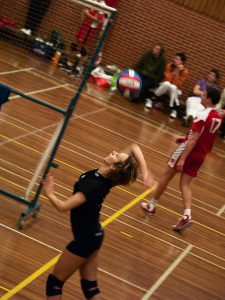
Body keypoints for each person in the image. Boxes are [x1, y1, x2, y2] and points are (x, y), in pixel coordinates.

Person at [43, 143, 153, 299]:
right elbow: (134, 147)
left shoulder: (93, 186)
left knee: (54, 283)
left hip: (85, 239)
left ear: (114, 167)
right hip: (94, 234)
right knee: (90, 288)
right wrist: (145, 173)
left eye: (117, 156)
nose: (115, 151)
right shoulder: (104, 176)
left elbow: (63, 206)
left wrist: (49, 193)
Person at [141, 87, 222, 232]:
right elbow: (203, 136)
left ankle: (152, 205)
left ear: (209, 99)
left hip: (190, 151)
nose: (201, 97)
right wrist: (186, 137)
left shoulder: (202, 114)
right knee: (185, 184)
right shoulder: (217, 116)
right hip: (201, 155)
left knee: (166, 175)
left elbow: (194, 139)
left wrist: (182, 158)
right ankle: (187, 215)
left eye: (203, 95)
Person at [145, 52, 189, 119]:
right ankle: (151, 100)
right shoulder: (169, 65)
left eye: (177, 59)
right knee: (167, 84)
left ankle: (174, 110)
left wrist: (178, 73)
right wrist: (175, 71)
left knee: (173, 87)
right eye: (174, 58)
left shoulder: (185, 71)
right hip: (164, 85)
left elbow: (177, 84)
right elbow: (167, 79)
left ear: (181, 62)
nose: (174, 60)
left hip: (175, 88)